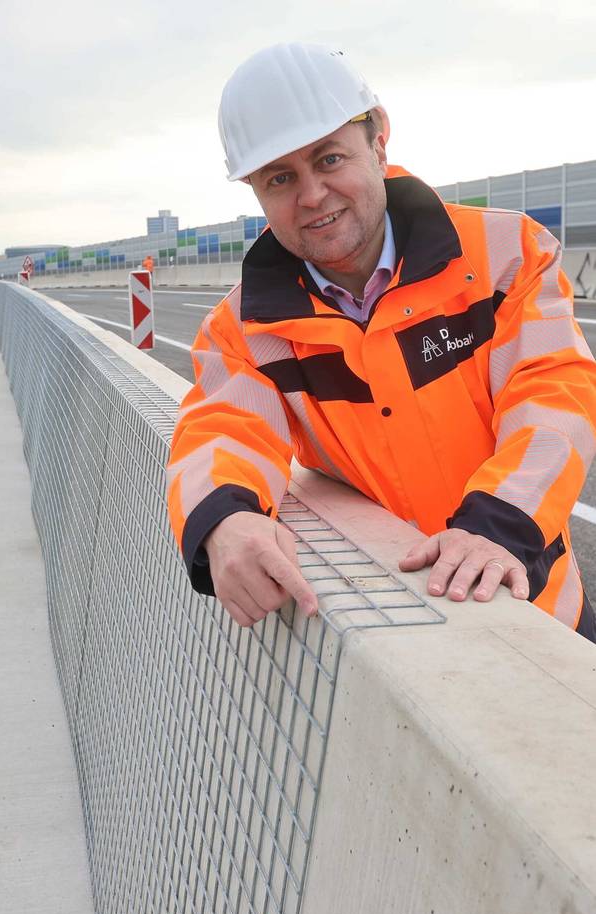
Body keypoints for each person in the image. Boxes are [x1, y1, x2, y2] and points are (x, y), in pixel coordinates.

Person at [166, 42, 596, 639]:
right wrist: (226, 520)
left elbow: (554, 394)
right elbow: (223, 430)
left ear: (379, 139)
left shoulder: (506, 255)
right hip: (391, 631)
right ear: (256, 192)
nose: (312, 194)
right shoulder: (243, 329)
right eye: (281, 177)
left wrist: (495, 527)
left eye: (329, 158)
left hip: (535, 606)